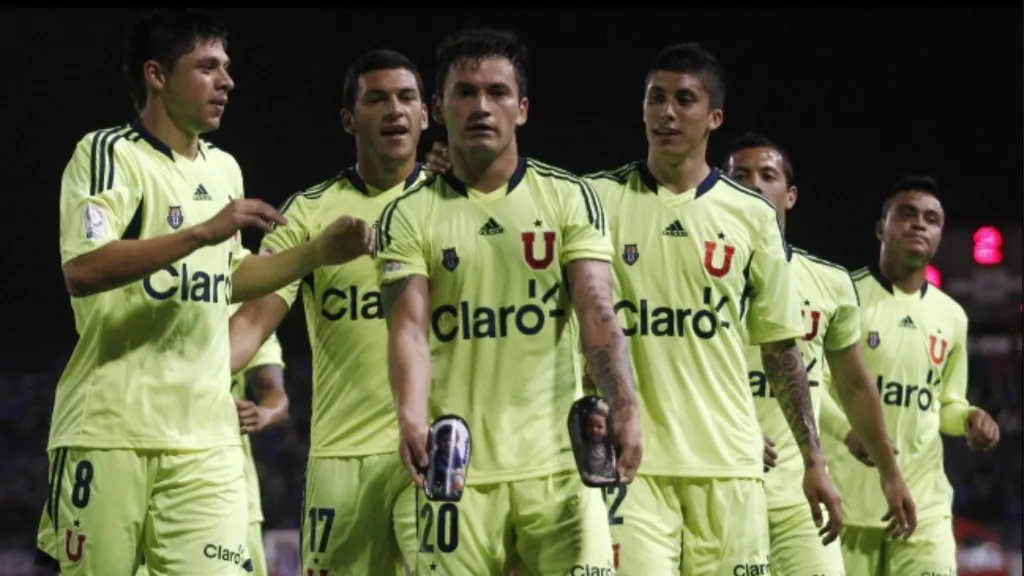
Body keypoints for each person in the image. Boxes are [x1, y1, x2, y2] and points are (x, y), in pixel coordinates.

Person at [34, 9, 371, 575]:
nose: (226, 81)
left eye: (227, 68)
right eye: (208, 67)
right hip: (111, 432)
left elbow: (230, 278)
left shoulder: (225, 171)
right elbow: (85, 267)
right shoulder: (108, 154)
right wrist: (200, 232)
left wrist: (315, 255)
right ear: (157, 75)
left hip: (207, 441)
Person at [376, 27, 641, 576]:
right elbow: (410, 332)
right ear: (437, 108)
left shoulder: (568, 197)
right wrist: (409, 417)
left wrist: (624, 404)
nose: (481, 106)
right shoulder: (407, 214)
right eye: (465, 92)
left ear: (521, 109)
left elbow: (597, 314)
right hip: (455, 471)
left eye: (497, 93)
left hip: (559, 468)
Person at [583, 43, 842, 574]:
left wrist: (813, 459)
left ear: (714, 117)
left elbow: (780, 348)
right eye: (656, 98)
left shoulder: (750, 216)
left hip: (730, 468)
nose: (667, 112)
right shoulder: (595, 200)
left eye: (684, 99)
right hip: (633, 469)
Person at [228, 49, 430, 576]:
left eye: (407, 97)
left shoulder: (453, 204)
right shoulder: (311, 212)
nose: (394, 110)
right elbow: (251, 322)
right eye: (376, 99)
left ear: (427, 114)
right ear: (348, 119)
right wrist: (184, 380)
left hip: (434, 449)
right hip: (342, 459)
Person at [723, 132, 917, 575]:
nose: (754, 184)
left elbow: (848, 383)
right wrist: (730, 430)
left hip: (800, 496)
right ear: (722, 185)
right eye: (740, 175)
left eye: (767, 175)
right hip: (722, 488)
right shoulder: (694, 272)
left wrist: (890, 472)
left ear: (790, 196)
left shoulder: (828, 282)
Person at [828, 175, 1001, 575]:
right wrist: (847, 432)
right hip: (849, 507)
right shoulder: (842, 296)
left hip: (925, 510)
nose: (920, 224)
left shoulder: (952, 316)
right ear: (881, 227)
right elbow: (812, 387)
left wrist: (970, 418)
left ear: (939, 234)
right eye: (906, 214)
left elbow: (946, 404)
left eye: (932, 218)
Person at [136, 321, 288, 576]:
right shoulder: (160, 300)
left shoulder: (248, 314)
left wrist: (262, 413)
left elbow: (275, 395)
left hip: (228, 488)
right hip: (148, 471)